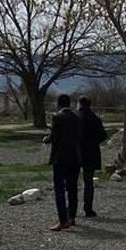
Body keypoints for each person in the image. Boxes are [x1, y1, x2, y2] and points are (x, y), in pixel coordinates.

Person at [46, 95, 83, 230]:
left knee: (59, 189)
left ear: (58, 104)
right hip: (75, 157)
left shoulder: (57, 117)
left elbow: (54, 136)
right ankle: (71, 216)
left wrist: (47, 139)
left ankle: (62, 220)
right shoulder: (77, 118)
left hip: (60, 157)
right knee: (73, 188)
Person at [77, 96, 107, 218]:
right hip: (91, 152)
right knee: (88, 182)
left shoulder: (76, 117)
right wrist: (94, 142)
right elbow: (103, 135)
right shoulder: (95, 118)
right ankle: (88, 209)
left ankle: (70, 208)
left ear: (79, 104)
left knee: (72, 181)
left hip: (76, 152)